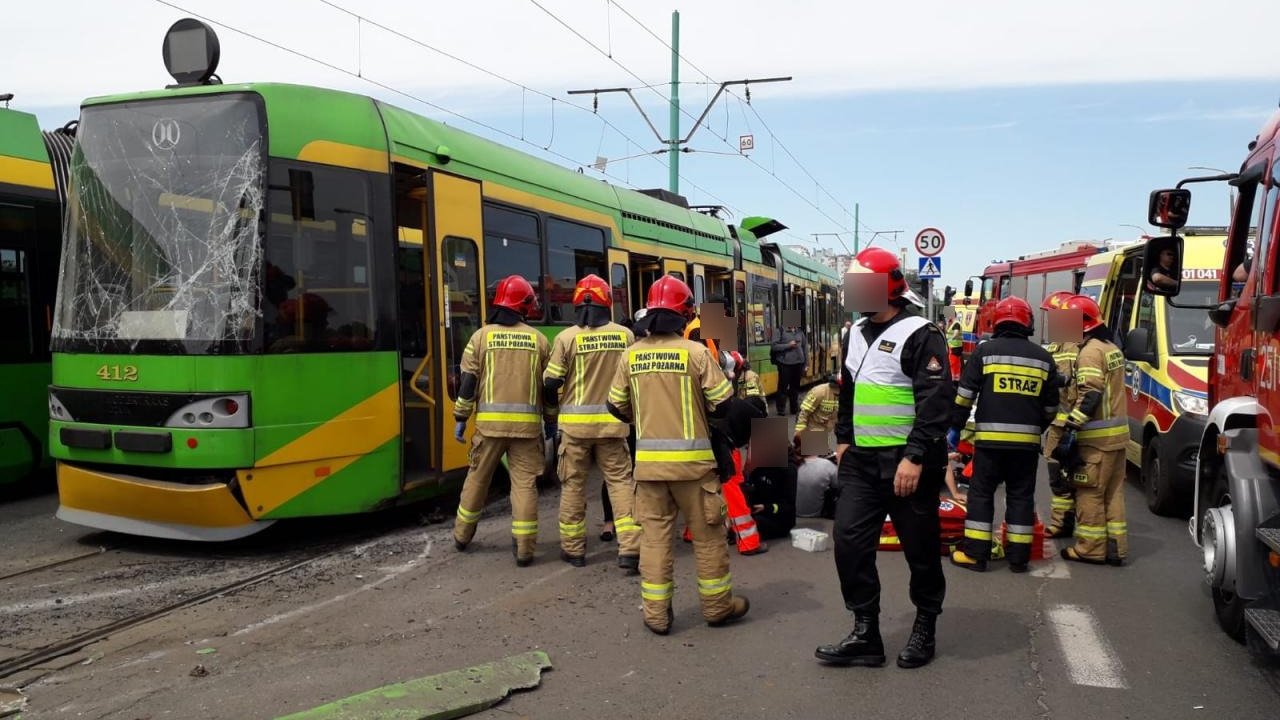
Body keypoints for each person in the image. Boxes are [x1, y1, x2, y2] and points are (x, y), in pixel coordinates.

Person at [815, 247, 953, 670]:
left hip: (909, 464)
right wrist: (842, 438)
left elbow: (935, 402)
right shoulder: (853, 332)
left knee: (921, 550)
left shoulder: (921, 332)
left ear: (889, 288)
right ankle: (865, 633)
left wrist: (914, 458)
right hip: (861, 461)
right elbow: (849, 390)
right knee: (850, 543)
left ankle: (925, 625)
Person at [607, 276, 750, 635]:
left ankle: (656, 615)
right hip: (695, 469)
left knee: (654, 541)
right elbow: (724, 405)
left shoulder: (631, 355)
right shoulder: (697, 353)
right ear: (684, 315)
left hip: (649, 471)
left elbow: (616, 407)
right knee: (708, 539)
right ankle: (717, 608)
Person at [947, 296, 1059, 573]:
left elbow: (963, 397)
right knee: (1021, 496)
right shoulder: (1044, 359)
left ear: (997, 322)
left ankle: (976, 554)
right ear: (1027, 323)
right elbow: (1051, 407)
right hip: (1026, 447)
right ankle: (1018, 558)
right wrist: (1036, 430)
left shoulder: (984, 353)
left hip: (989, 444)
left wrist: (955, 429)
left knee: (981, 495)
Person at [452, 275, 555, 567]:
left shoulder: (480, 338)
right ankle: (524, 549)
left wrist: (461, 416)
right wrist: (550, 420)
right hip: (526, 430)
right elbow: (549, 387)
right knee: (524, 486)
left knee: (477, 480)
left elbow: (468, 382)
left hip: (489, 429)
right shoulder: (538, 341)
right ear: (525, 306)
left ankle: (462, 535)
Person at [544, 274, 639, 571]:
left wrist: (553, 410)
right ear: (606, 301)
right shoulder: (625, 336)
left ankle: (574, 551)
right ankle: (630, 549)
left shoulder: (565, 338)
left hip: (575, 429)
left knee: (573, 485)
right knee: (621, 484)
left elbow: (551, 381)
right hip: (613, 425)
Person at [1055, 294, 1129, 566]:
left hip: (1096, 440)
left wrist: (1071, 427)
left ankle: (1090, 549)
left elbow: (1090, 395)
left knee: (1089, 493)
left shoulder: (1088, 353)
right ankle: (1115, 548)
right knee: (1113, 493)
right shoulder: (1111, 348)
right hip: (1117, 438)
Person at [1040, 290, 1081, 539]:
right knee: (1062, 476)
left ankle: (1062, 523)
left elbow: (1069, 390)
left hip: (1065, 424)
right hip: (1062, 422)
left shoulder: (1070, 347)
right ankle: (1063, 522)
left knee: (1060, 476)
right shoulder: (1062, 344)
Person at [771, 321, 808, 416]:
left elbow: (805, 348)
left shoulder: (800, 332)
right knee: (783, 387)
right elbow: (774, 346)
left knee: (795, 387)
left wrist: (806, 364)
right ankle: (781, 409)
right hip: (784, 363)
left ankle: (794, 408)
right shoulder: (780, 330)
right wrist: (789, 345)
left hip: (798, 363)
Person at [794, 374, 839, 450]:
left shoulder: (846, 393)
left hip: (825, 430)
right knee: (815, 457)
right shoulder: (819, 392)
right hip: (813, 428)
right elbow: (804, 412)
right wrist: (799, 432)